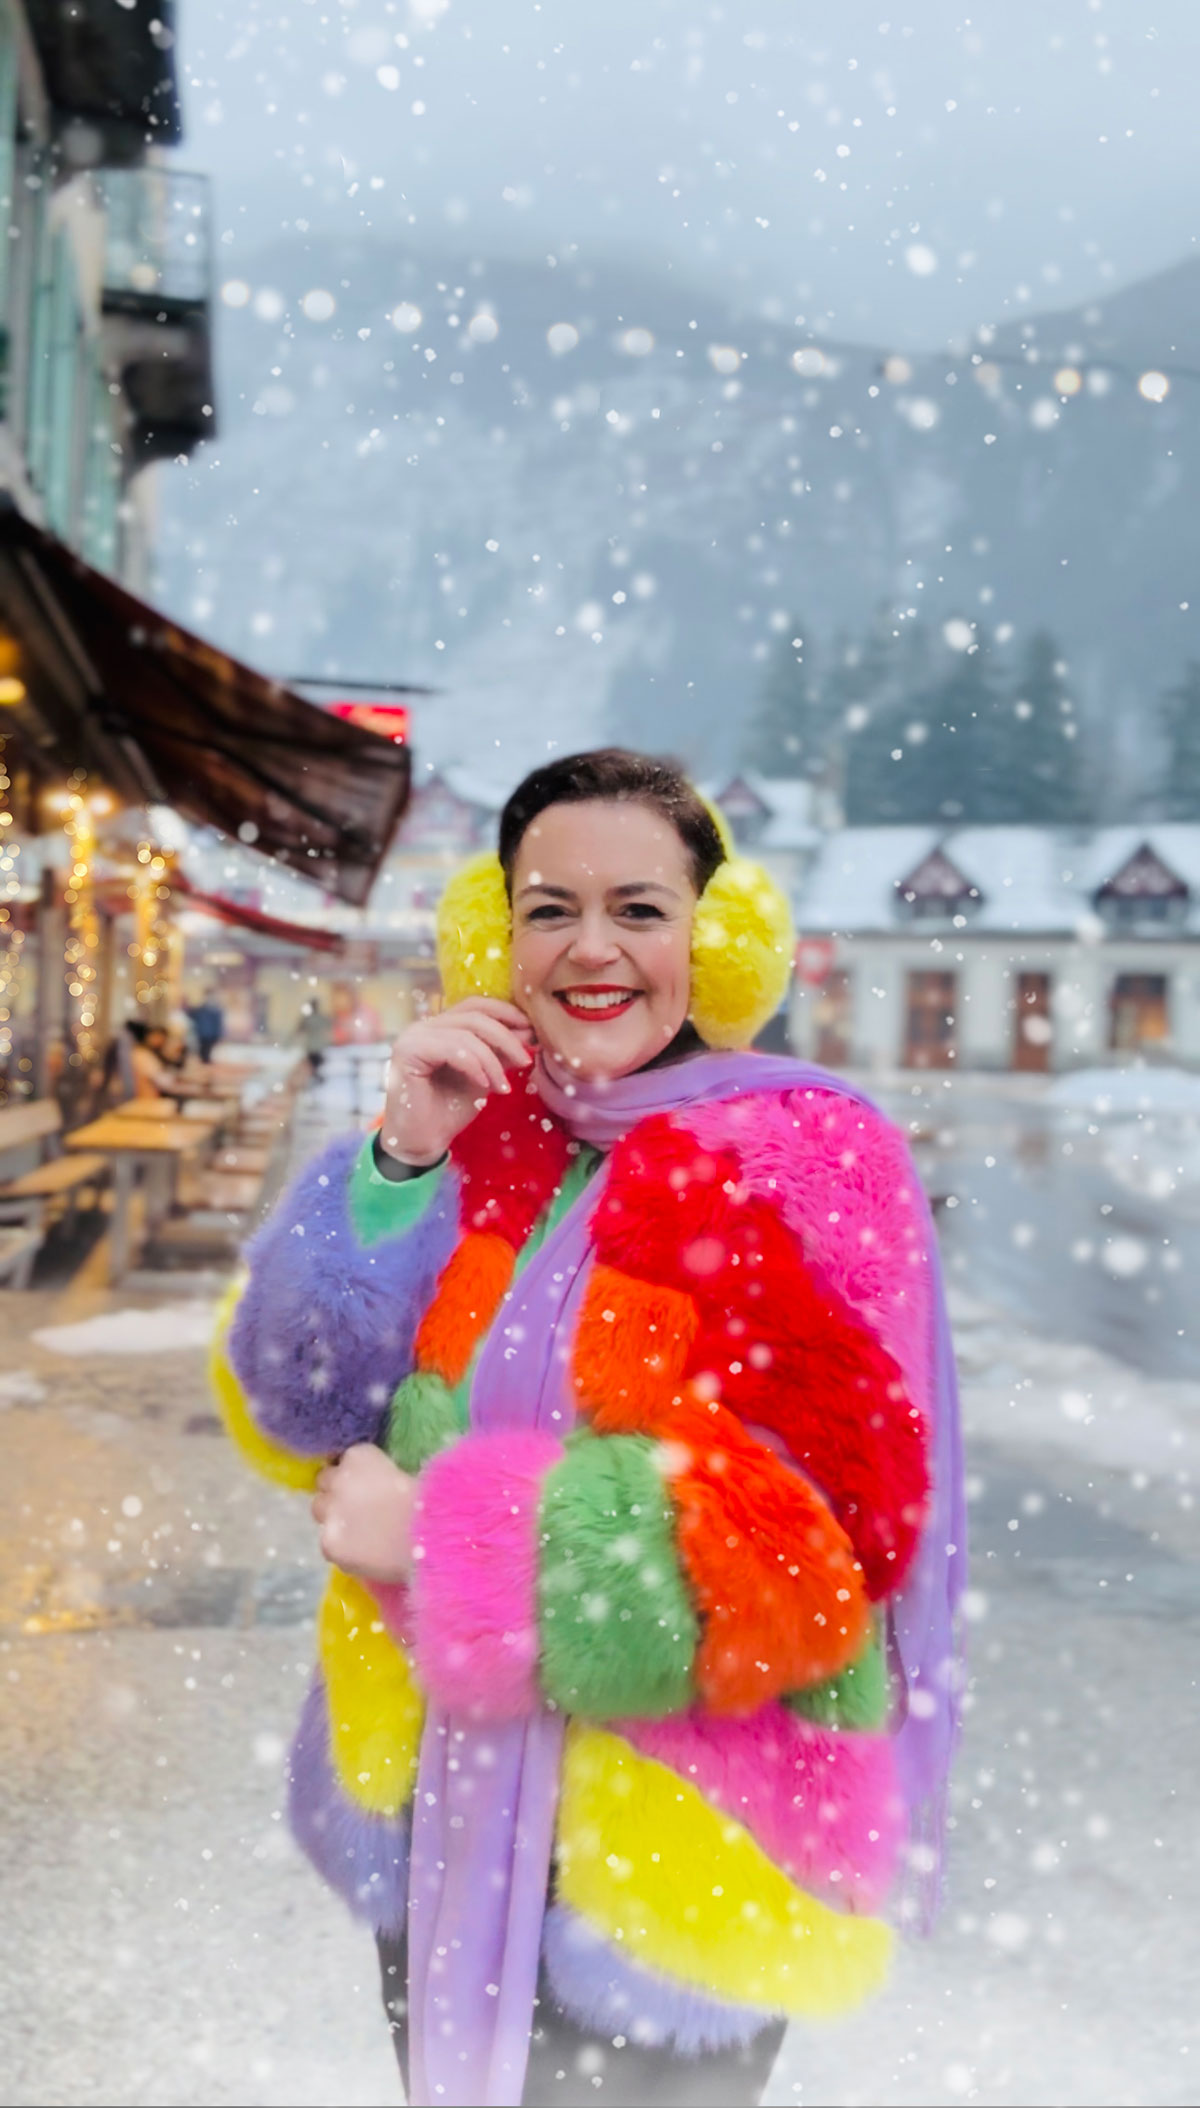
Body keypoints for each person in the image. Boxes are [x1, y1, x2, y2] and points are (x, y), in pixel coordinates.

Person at [213, 750, 964, 2108]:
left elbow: (819, 1550)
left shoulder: (802, 1158)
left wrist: (444, 1540)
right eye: (549, 908)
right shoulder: (487, 1127)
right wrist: (397, 1162)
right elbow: (300, 1408)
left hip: (678, 1861)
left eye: (640, 908)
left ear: (711, 934)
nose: (592, 948)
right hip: (449, 1810)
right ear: (497, 934)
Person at [294, 997, 333, 1080]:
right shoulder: (319, 1018)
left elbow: (299, 1030)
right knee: (315, 1064)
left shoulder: (308, 1019)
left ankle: (315, 1077)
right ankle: (316, 1077)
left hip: (314, 1045)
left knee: (314, 1064)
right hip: (316, 1045)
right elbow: (329, 1026)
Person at [184, 989, 225, 1065]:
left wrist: (219, 1034)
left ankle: (206, 1063)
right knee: (203, 1051)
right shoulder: (201, 1008)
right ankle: (204, 1064)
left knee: (208, 1050)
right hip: (202, 1033)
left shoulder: (216, 1009)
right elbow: (192, 1014)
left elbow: (218, 1023)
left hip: (211, 1033)